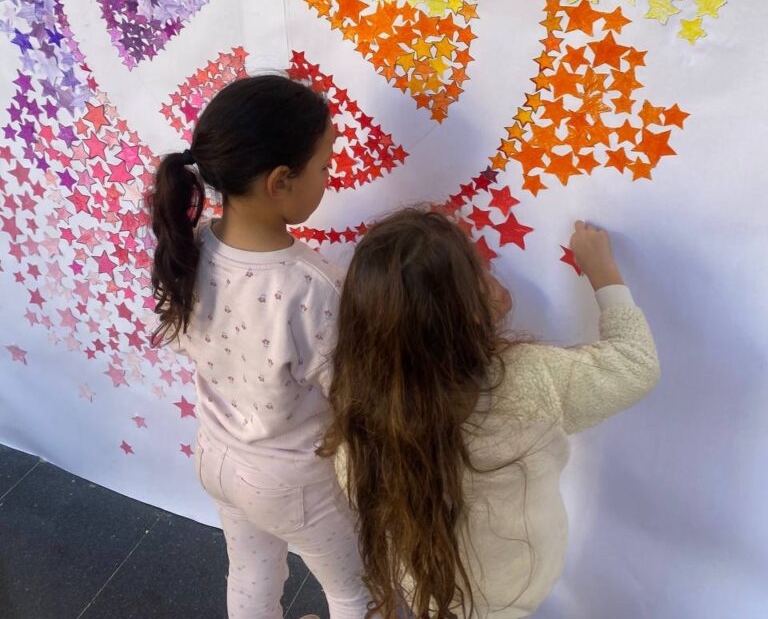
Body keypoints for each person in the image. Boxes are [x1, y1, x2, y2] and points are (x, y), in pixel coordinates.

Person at [318, 208, 660, 619]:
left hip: (426, 585)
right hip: (516, 586)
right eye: (481, 270)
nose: (492, 272)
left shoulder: (359, 412)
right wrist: (602, 270)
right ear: (470, 311)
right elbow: (635, 364)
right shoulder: (526, 380)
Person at [148, 74, 371, 619]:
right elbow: (353, 397)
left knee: (251, 573)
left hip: (217, 458)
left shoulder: (192, 246)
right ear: (280, 182)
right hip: (292, 482)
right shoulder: (313, 286)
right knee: (355, 591)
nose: (329, 177)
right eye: (325, 167)